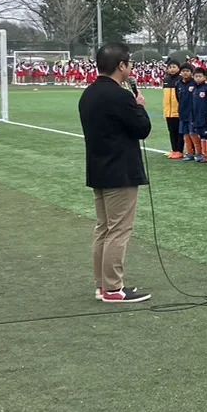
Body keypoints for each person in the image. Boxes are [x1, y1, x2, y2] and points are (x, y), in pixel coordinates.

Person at [78, 43, 153, 304]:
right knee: (119, 230)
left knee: (104, 228)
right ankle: (112, 287)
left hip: (99, 168)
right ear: (121, 65)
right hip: (120, 171)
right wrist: (139, 106)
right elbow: (142, 129)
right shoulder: (119, 96)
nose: (130, 68)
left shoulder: (89, 93)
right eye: (129, 63)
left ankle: (103, 285)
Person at [162, 59, 184, 157]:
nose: (172, 69)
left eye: (174, 67)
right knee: (171, 132)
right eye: (170, 67)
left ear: (179, 68)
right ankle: (174, 150)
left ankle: (179, 150)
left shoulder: (181, 80)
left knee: (179, 132)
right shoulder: (166, 80)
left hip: (178, 111)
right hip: (168, 112)